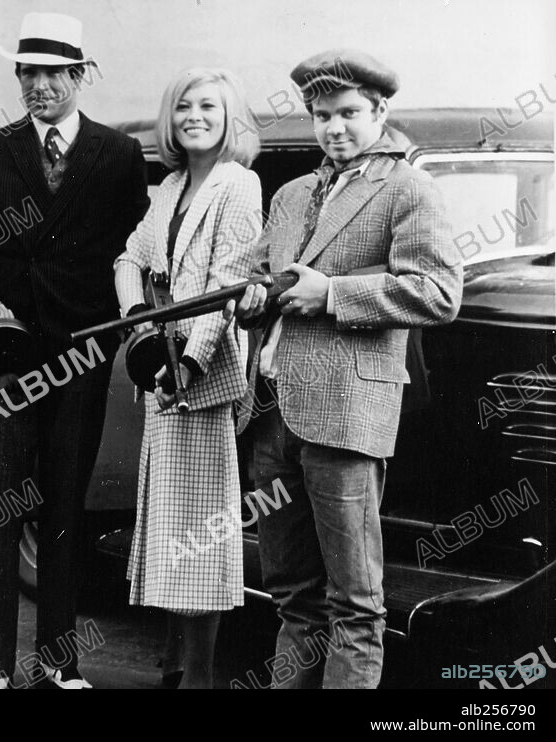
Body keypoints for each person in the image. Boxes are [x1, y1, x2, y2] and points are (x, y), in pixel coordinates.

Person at [231, 49, 463, 688]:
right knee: (292, 597)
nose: (335, 128)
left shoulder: (409, 187)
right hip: (273, 414)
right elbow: (259, 281)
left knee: (356, 604)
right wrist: (250, 298)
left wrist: (331, 294)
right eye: (322, 115)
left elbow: (439, 292)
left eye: (349, 113)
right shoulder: (291, 194)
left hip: (345, 416)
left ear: (380, 111)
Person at [0, 12, 149, 689]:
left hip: (81, 358)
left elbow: (134, 254)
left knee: (64, 511)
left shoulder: (116, 155)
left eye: (54, 72)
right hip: (4, 360)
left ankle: (58, 666)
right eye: (28, 72)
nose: (40, 85)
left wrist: (117, 332)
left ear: (80, 76)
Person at [114, 67, 261, 689]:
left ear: (231, 119)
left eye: (208, 106)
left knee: (200, 535)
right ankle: (176, 667)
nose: (194, 116)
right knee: (172, 526)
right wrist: (136, 321)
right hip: (166, 372)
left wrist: (190, 365)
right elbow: (130, 258)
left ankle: (198, 676)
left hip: (202, 377)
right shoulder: (171, 185)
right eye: (183, 108)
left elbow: (225, 285)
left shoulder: (239, 184)